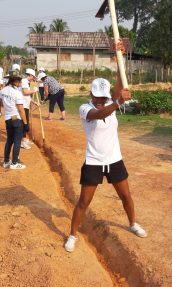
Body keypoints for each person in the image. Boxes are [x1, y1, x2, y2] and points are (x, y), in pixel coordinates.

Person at [64, 76, 147, 253]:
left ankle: (132, 224)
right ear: (90, 94)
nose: (100, 101)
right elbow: (99, 114)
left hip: (114, 159)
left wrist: (118, 52)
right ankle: (72, 235)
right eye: (97, 97)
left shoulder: (111, 101)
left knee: (126, 196)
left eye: (103, 97)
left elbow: (119, 83)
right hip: (94, 161)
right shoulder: (85, 108)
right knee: (84, 202)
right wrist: (118, 103)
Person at [0, 70, 29, 170]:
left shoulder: (3, 90)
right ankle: (14, 163)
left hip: (8, 119)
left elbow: (2, 104)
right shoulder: (17, 93)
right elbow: (21, 109)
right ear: (15, 81)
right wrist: (25, 123)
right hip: (16, 119)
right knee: (17, 141)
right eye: (19, 81)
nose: (20, 83)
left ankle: (6, 161)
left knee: (9, 141)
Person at [20, 68, 38, 150]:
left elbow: (27, 96)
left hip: (26, 105)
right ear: (30, 75)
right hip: (23, 106)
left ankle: (24, 139)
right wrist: (33, 91)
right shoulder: (24, 81)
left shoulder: (26, 82)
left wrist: (34, 102)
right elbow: (25, 92)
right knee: (24, 123)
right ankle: (22, 142)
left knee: (25, 122)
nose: (33, 79)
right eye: (33, 77)